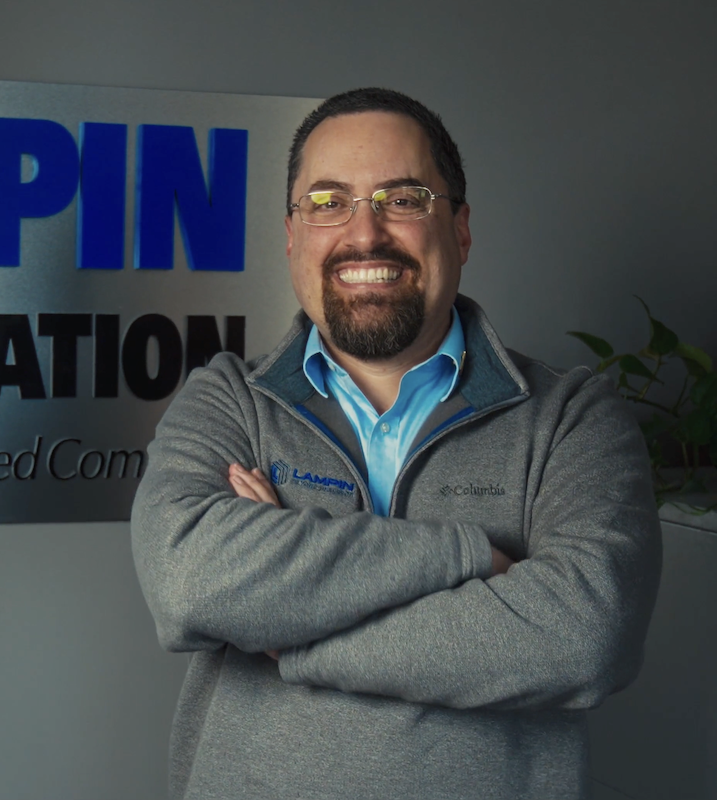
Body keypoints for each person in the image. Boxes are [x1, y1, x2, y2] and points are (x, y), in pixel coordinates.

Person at [130, 87, 662, 800]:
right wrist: (466, 556)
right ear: (292, 235)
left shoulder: (571, 417)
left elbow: (585, 637)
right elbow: (191, 584)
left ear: (462, 229)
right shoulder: (229, 400)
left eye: (404, 198)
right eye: (328, 202)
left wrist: (289, 633)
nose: (365, 233)